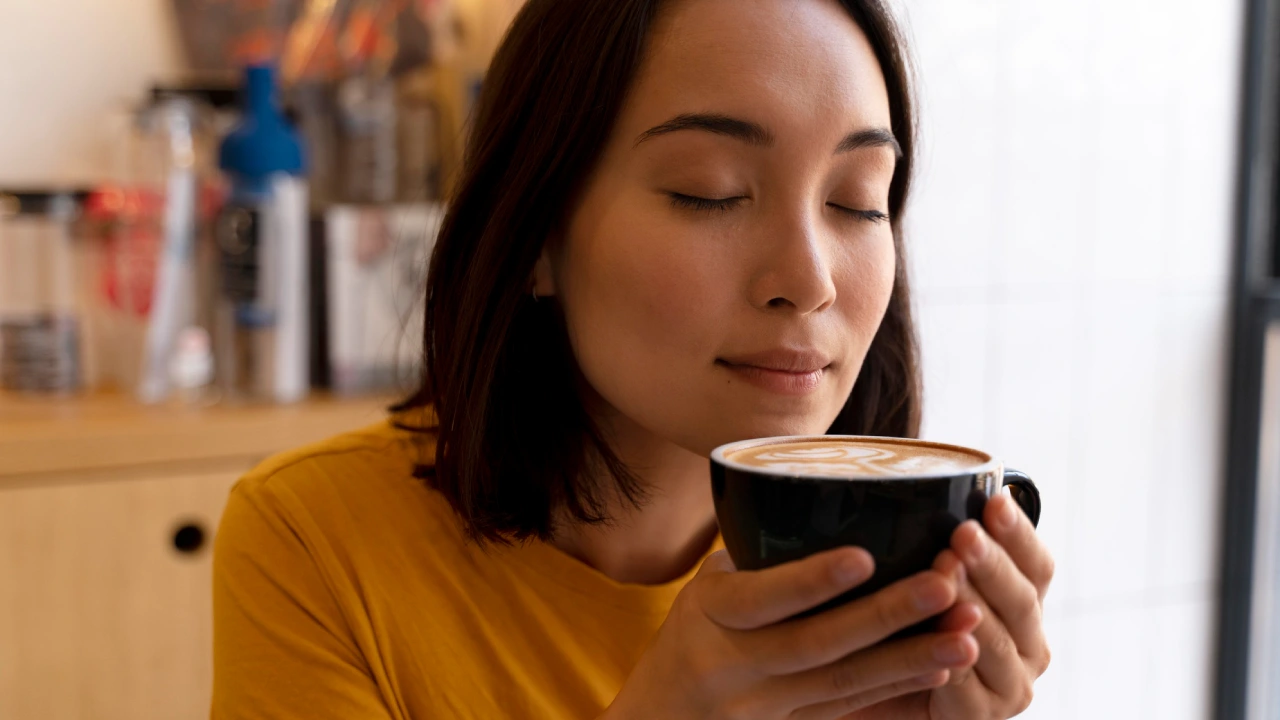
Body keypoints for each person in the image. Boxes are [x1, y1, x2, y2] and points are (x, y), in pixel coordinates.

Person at [210, 0, 1055, 717]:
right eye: (709, 190)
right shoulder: (313, 541)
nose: (809, 281)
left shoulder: (897, 569)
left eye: (856, 202)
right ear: (536, 232)